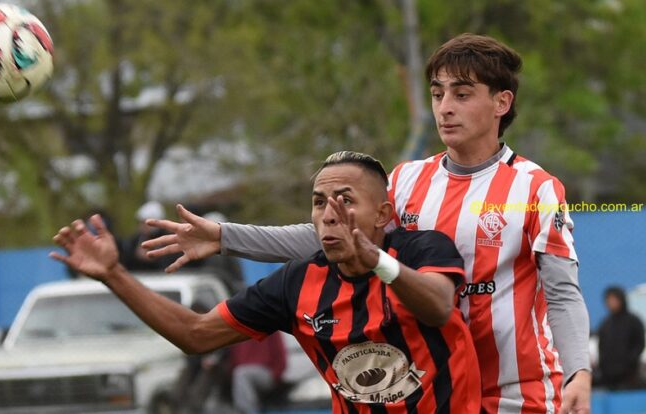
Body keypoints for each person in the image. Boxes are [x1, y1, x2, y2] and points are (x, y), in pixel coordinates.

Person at [141, 34, 591, 414]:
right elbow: (330, 237)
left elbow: (562, 292)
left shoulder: (535, 189)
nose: (445, 108)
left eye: (462, 93)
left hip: (519, 393)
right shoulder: (406, 179)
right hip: (441, 393)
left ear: (501, 103)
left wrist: (579, 372)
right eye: (437, 94)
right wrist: (224, 237)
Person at [51, 151, 481, 413]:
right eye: (318, 203)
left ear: (383, 216)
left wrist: (377, 261)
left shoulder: (423, 250)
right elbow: (194, 334)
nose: (329, 213)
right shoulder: (297, 284)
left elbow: (438, 306)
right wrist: (113, 274)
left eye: (345, 201)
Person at [595, 286, 645, 390]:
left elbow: (639, 344)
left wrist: (630, 361)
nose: (611, 303)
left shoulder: (634, 321)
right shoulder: (605, 324)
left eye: (614, 299)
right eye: (608, 300)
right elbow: (601, 347)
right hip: (609, 378)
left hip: (630, 377)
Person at [228, 331, 286, 413]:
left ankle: (249, 411)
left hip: (267, 373)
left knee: (241, 373)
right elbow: (234, 360)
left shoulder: (270, 327)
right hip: (243, 376)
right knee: (240, 374)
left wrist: (275, 375)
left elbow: (281, 355)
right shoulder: (238, 331)